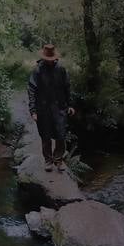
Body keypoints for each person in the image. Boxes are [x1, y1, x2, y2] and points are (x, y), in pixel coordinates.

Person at [27, 43, 76, 173]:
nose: (50, 61)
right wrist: (33, 110)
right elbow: (31, 90)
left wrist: (70, 104)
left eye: (52, 59)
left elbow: (67, 87)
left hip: (59, 107)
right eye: (48, 59)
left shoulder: (61, 69)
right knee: (45, 135)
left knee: (61, 135)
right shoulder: (37, 70)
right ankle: (48, 160)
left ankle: (58, 159)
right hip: (42, 108)